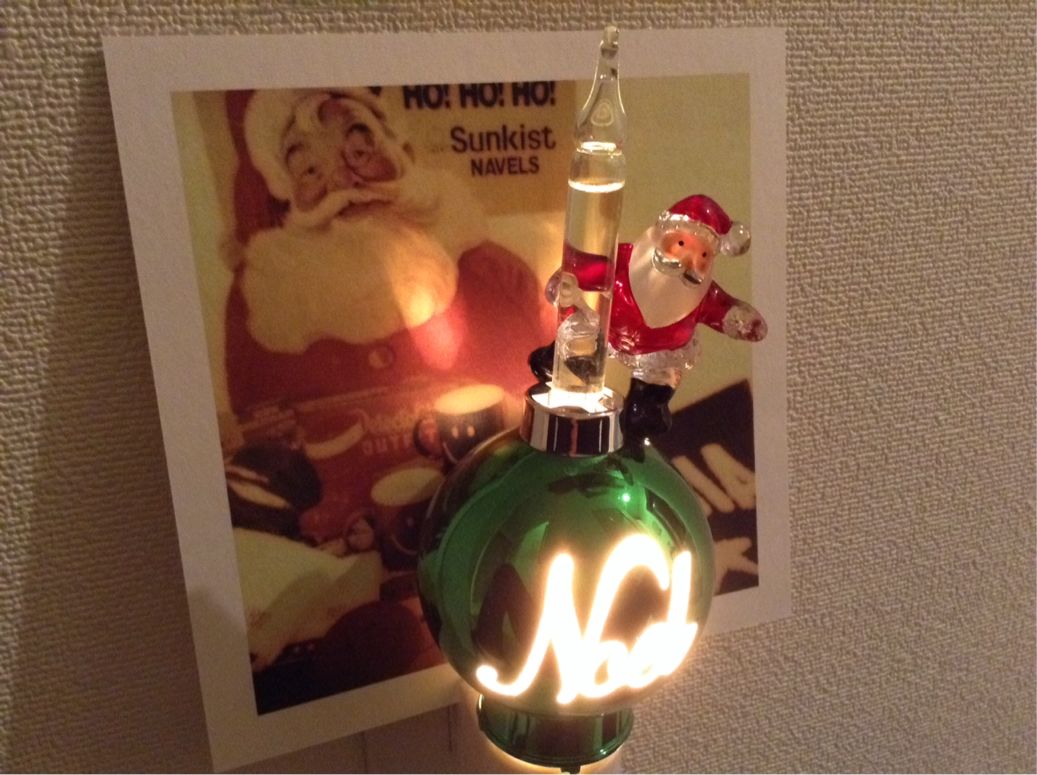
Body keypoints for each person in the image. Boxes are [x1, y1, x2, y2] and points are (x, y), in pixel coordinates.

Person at [221, 87, 553, 542]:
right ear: (285, 191)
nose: (344, 181)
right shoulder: (265, 308)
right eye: (310, 170)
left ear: (401, 152)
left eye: (360, 149)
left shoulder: (496, 277)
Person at [531, 194, 767, 442]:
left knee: (654, 391)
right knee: (581, 338)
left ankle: (644, 411)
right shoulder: (624, 262)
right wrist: (566, 283)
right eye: (681, 244)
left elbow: (723, 309)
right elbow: (584, 269)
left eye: (704, 256)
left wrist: (742, 320)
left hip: (660, 354)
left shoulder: (702, 295)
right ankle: (560, 364)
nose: (689, 261)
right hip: (609, 332)